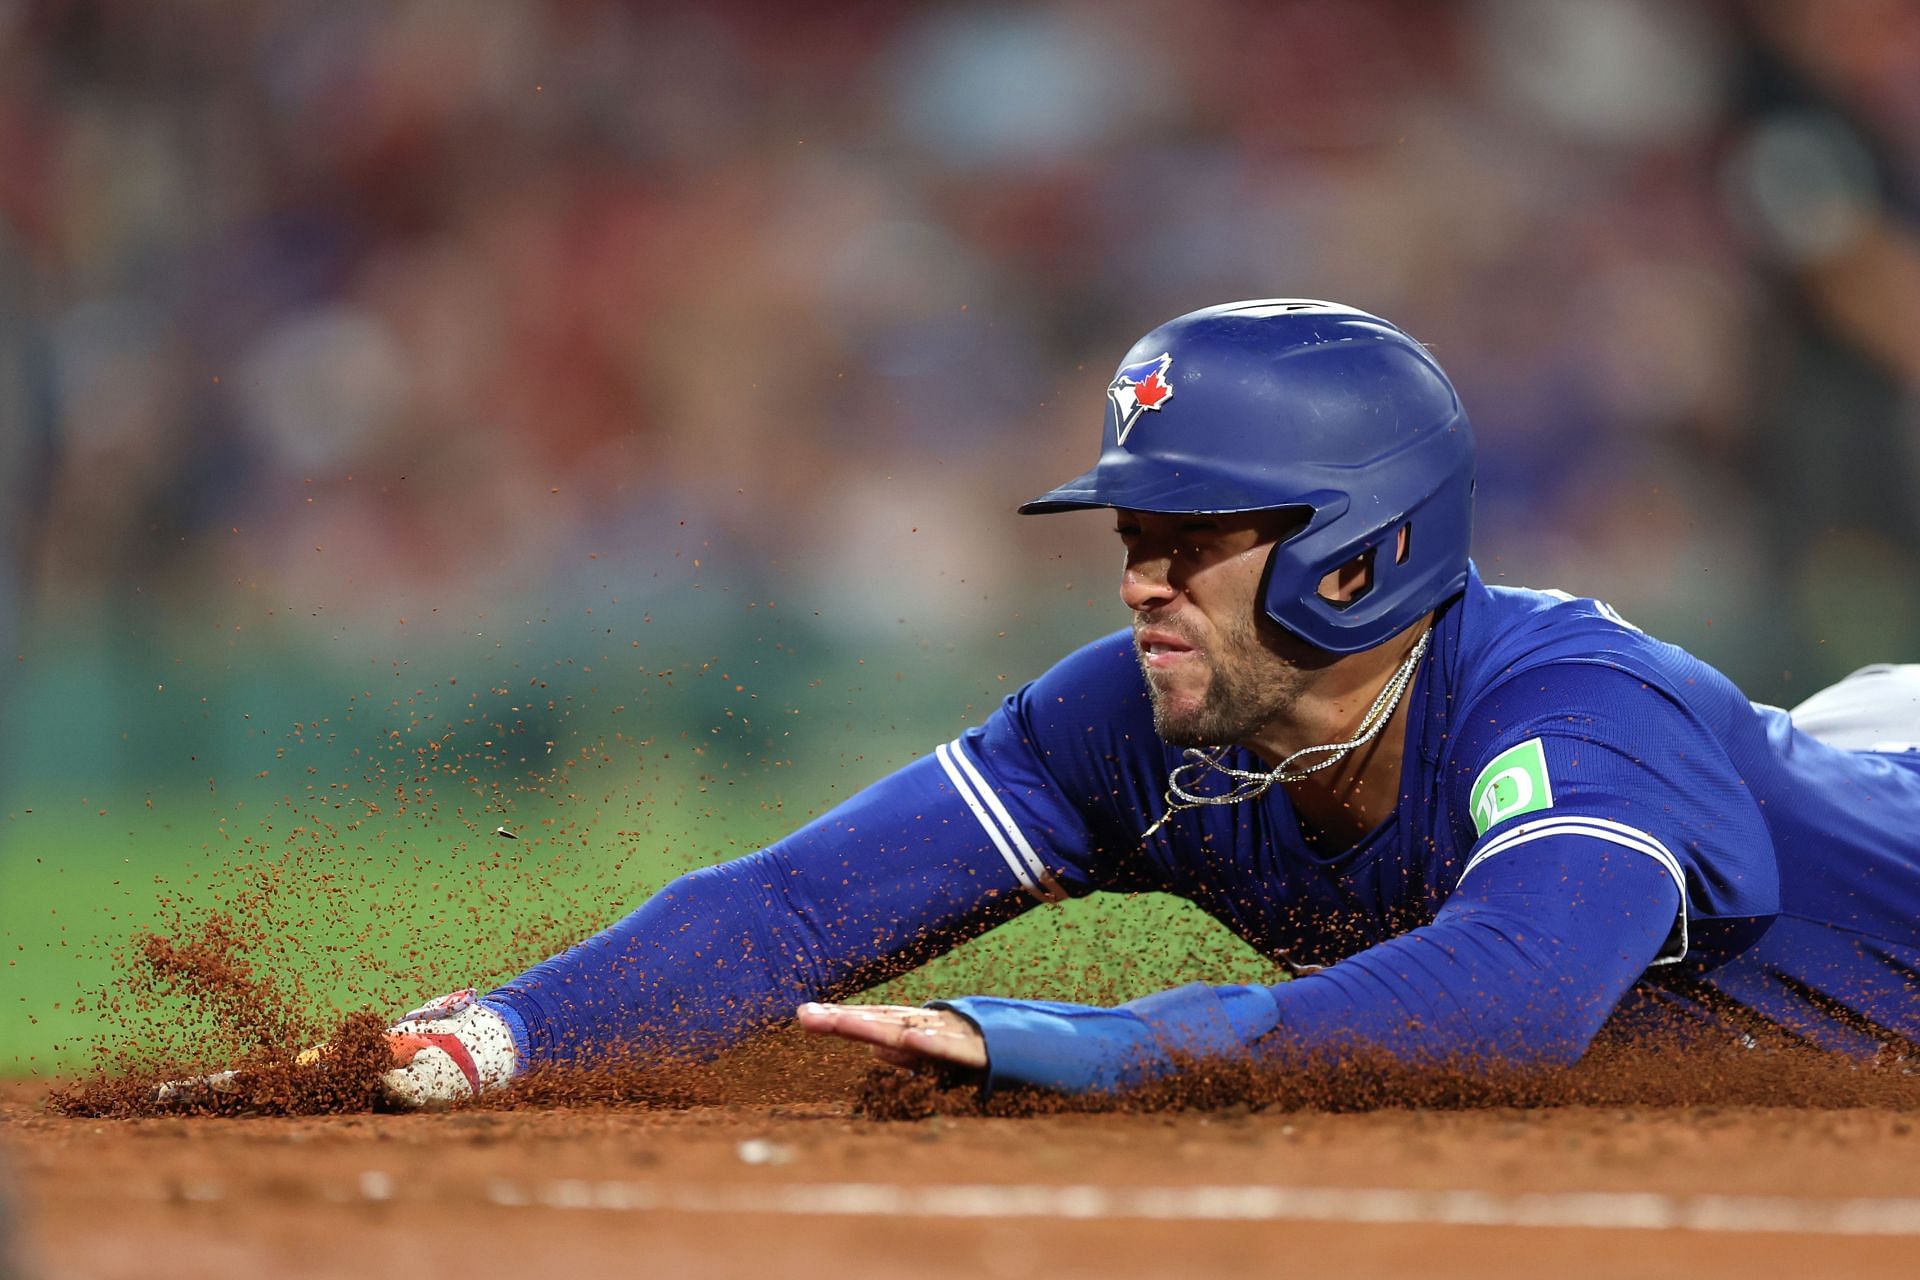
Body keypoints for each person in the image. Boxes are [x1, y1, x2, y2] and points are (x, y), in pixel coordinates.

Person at [365, 299, 1920, 1107]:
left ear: (1360, 556)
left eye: (1193, 543)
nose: (1139, 585)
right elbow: (788, 912)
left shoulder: (1570, 711)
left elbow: (1506, 1000)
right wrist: (490, 1037)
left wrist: (1089, 1046)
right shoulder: (1138, 719)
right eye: (1131, 543)